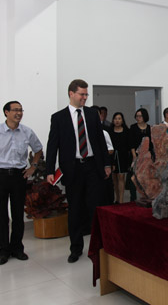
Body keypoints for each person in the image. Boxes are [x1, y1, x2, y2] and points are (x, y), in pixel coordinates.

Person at [45, 79, 111, 263]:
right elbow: (52, 145)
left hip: (92, 167)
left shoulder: (92, 114)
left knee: (95, 207)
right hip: (72, 169)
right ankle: (75, 248)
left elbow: (100, 142)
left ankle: (98, 246)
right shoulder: (58, 118)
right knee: (75, 209)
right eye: (82, 94)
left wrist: (106, 164)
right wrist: (49, 170)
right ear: (71, 93)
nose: (85, 97)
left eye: (86, 94)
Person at [0, 101, 43, 265]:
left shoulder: (27, 131)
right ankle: (4, 251)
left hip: (19, 176)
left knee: (18, 214)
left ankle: (17, 248)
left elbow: (38, 149)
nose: (19, 113)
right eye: (15, 110)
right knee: (1, 215)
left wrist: (33, 167)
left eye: (21, 110)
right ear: (6, 112)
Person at [109, 112, 132, 204]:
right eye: (115, 118)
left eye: (119, 118)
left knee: (121, 177)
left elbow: (129, 145)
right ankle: (117, 198)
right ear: (113, 120)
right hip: (112, 157)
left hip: (123, 157)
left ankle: (121, 200)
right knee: (114, 179)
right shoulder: (110, 131)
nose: (117, 120)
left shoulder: (126, 131)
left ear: (122, 120)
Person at [129, 108, 151, 201]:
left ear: (144, 116)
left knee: (146, 177)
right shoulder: (133, 127)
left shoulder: (149, 128)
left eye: (140, 116)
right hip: (136, 156)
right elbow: (131, 143)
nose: (138, 118)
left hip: (147, 156)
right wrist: (134, 156)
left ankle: (146, 196)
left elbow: (151, 144)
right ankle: (133, 198)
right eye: (137, 116)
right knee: (134, 177)